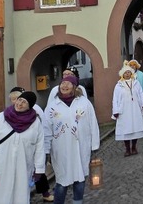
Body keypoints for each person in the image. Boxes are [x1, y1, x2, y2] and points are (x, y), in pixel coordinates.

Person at [0, 91, 45, 204]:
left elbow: (40, 147)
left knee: (20, 197)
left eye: (24, 102)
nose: (20, 104)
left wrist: (38, 169)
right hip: (0, 168)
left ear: (30, 106)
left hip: (23, 168)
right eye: (19, 100)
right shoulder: (1, 118)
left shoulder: (35, 123)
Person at [43, 75, 100, 204]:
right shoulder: (52, 106)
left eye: (68, 84)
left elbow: (93, 123)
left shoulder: (84, 103)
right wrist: (46, 150)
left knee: (79, 179)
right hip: (61, 149)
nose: (65, 86)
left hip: (81, 147)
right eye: (63, 83)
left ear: (74, 87)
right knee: (62, 182)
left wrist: (94, 145)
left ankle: (77, 202)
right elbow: (46, 130)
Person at [8, 87, 54, 202]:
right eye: (12, 100)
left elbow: (43, 128)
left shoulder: (35, 109)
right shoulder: (10, 111)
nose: (14, 102)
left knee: (38, 171)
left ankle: (45, 192)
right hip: (17, 149)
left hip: (33, 147)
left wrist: (45, 147)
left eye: (16, 98)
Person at [112, 61, 143, 157]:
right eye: (125, 73)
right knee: (126, 129)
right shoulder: (118, 85)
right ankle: (127, 148)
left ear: (131, 73)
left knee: (135, 127)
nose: (127, 74)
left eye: (129, 72)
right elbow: (115, 99)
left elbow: (140, 94)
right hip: (124, 110)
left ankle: (134, 147)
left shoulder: (136, 83)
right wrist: (115, 111)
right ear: (122, 74)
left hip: (135, 108)